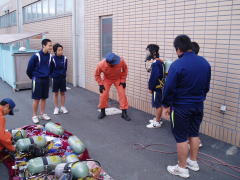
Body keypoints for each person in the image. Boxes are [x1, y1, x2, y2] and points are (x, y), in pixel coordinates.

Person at [162, 35, 211, 178]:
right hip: (198, 105)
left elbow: (169, 87)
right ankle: (193, 161)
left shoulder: (178, 64)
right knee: (194, 134)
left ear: (178, 49)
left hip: (181, 107)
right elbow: (206, 87)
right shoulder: (204, 63)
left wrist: (166, 105)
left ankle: (182, 168)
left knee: (181, 137)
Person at [95, 52, 131, 121]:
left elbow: (125, 70)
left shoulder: (121, 61)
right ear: (109, 63)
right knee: (103, 95)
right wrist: (100, 84)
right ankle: (103, 112)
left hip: (118, 79)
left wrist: (123, 80)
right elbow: (97, 75)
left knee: (122, 94)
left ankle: (124, 113)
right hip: (107, 79)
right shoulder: (101, 64)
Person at [26, 39, 53, 123]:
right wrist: (34, 77)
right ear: (43, 46)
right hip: (37, 80)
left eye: (51, 45)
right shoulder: (36, 56)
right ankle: (34, 115)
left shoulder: (50, 56)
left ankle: (42, 114)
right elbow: (29, 70)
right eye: (49, 45)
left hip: (46, 79)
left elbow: (51, 68)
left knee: (44, 98)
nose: (51, 47)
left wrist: (48, 75)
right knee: (36, 99)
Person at [145, 44, 165, 128]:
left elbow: (154, 77)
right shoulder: (158, 61)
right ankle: (158, 118)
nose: (147, 53)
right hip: (159, 86)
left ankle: (157, 122)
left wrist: (150, 88)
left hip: (157, 87)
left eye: (148, 51)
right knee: (158, 103)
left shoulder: (156, 63)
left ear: (153, 52)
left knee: (158, 104)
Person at [0, 98, 16, 179]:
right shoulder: (1, 117)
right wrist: (12, 148)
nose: (7, 113)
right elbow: (2, 137)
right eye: (9, 111)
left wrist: (8, 135)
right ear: (7, 106)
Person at [51, 43, 68, 115]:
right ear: (55, 51)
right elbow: (51, 69)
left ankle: (63, 107)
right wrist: (54, 76)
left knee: (63, 93)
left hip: (62, 78)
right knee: (55, 93)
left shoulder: (65, 58)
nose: (61, 51)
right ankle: (56, 108)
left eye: (61, 50)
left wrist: (63, 75)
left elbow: (65, 68)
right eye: (59, 50)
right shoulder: (52, 59)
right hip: (55, 79)